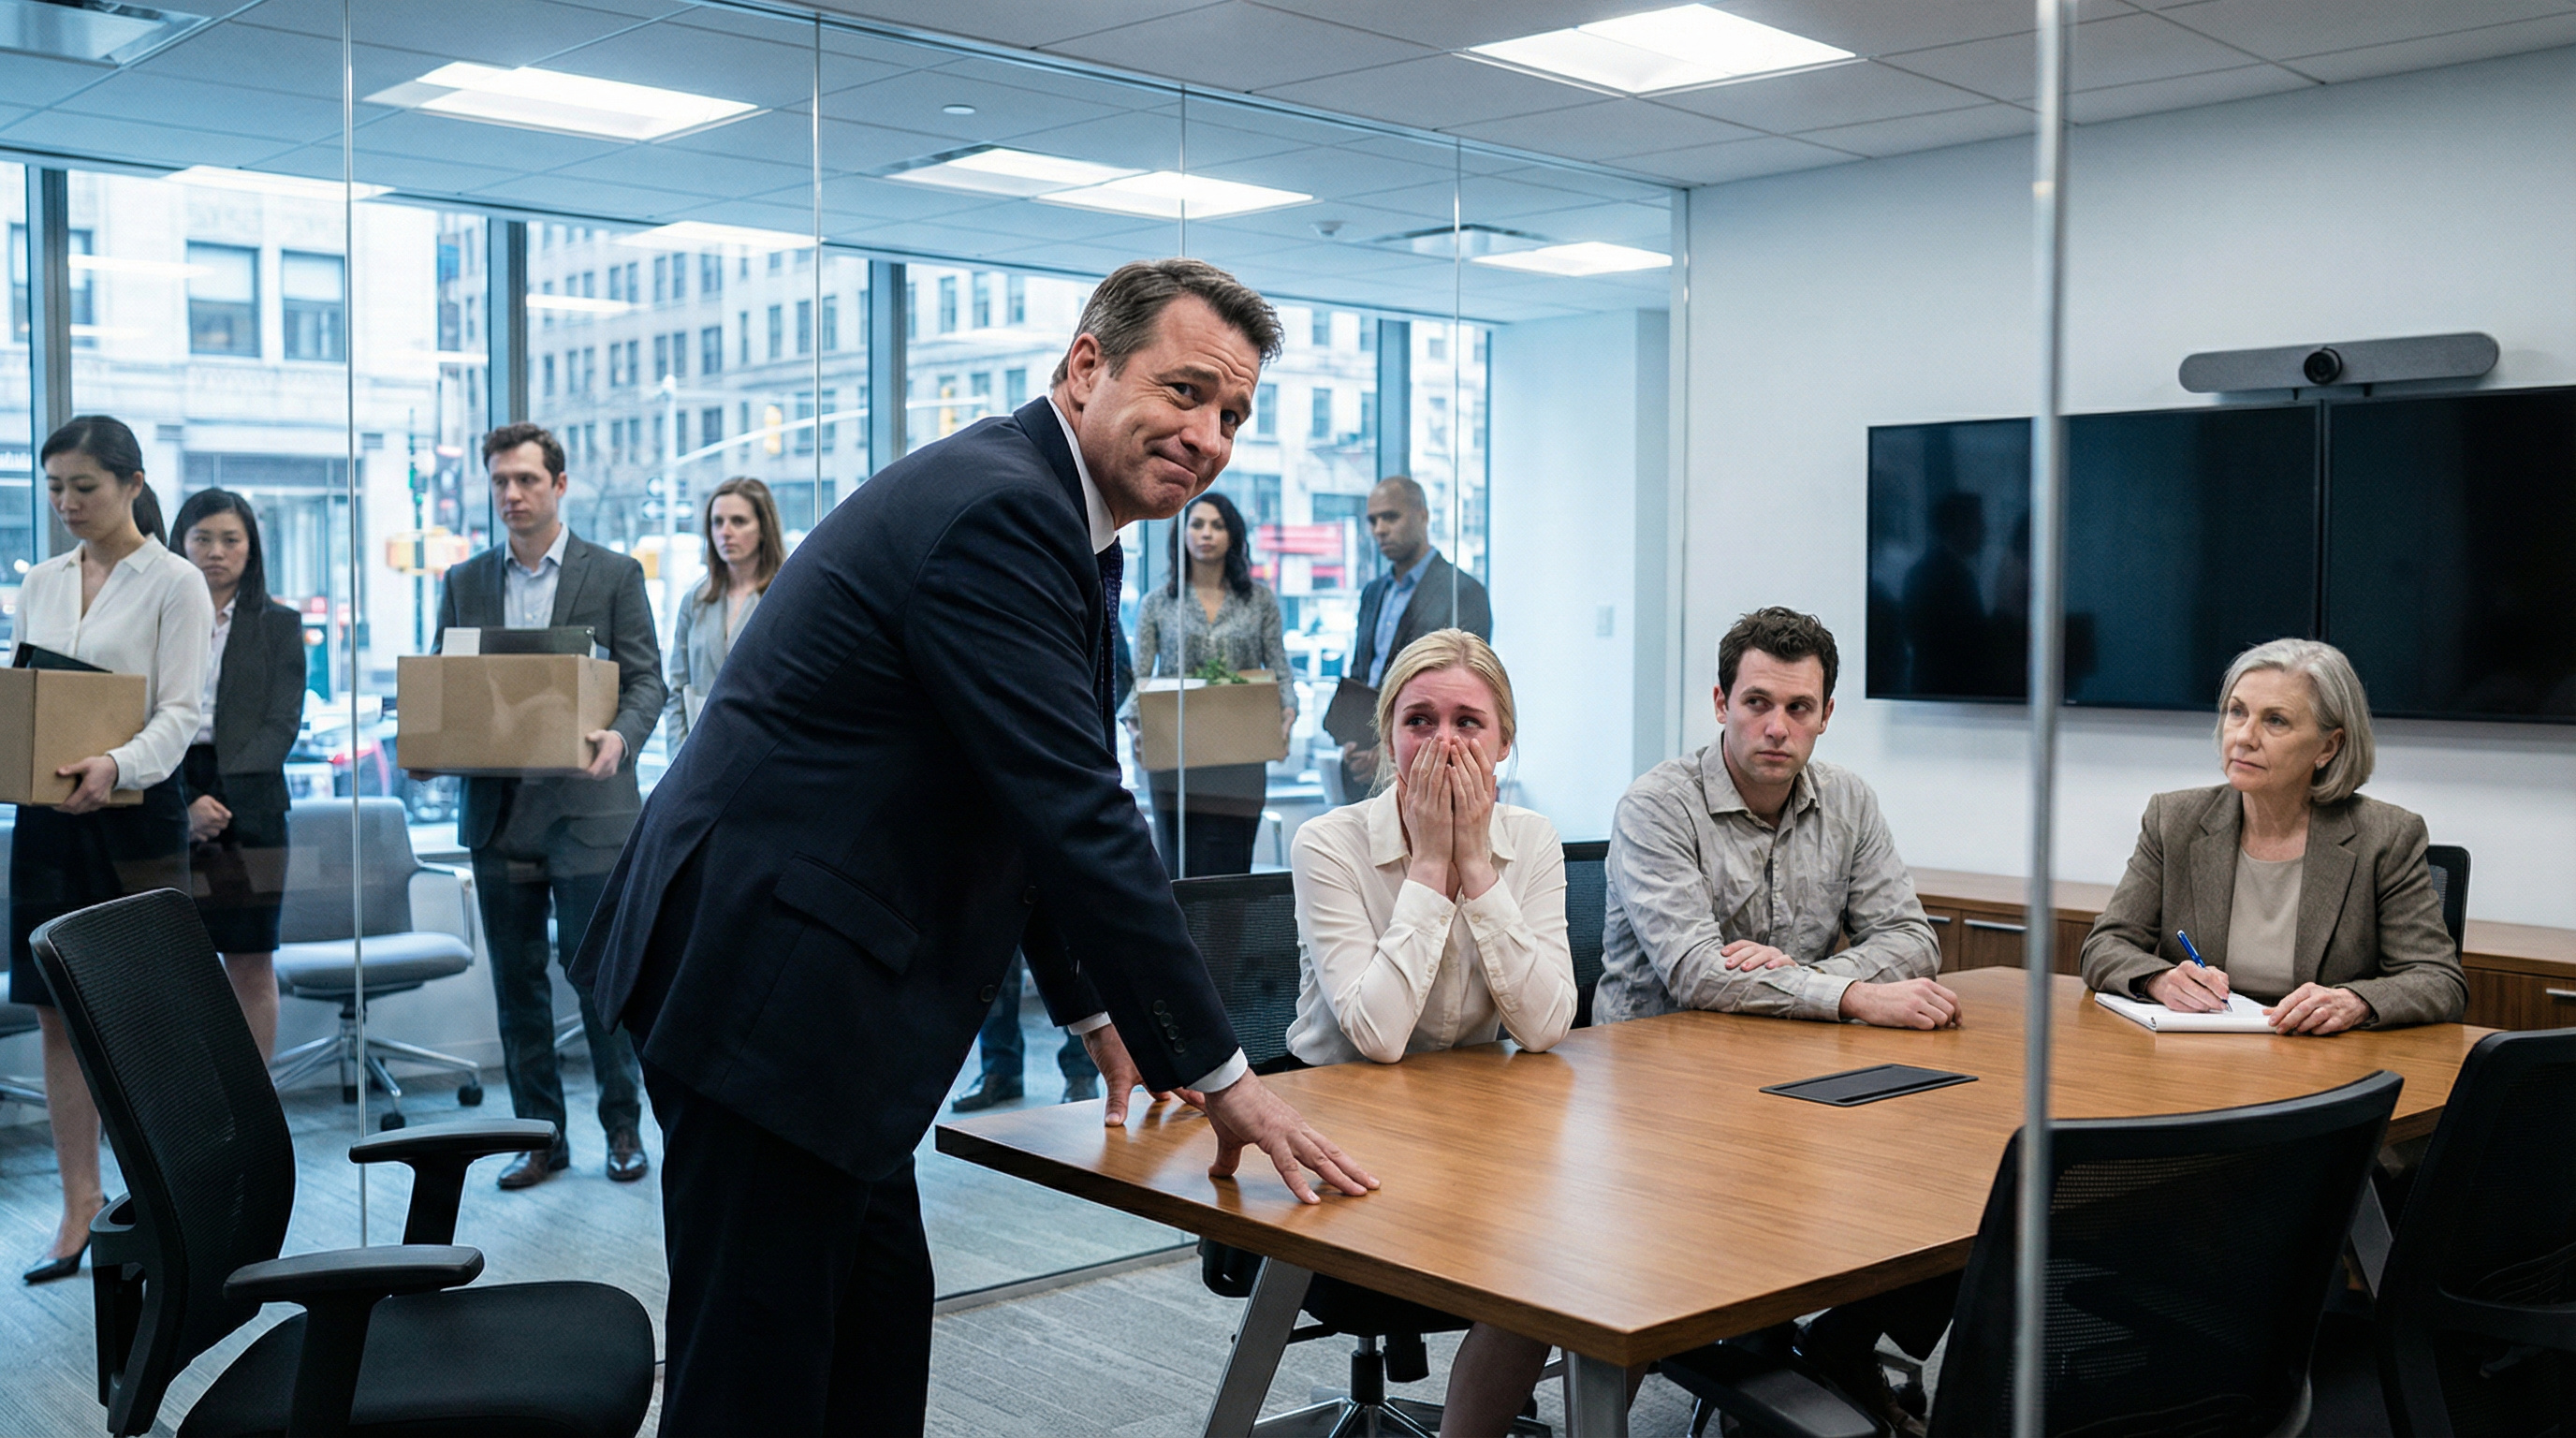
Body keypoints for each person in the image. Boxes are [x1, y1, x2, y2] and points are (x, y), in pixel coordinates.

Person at [565, 257, 1374, 1435]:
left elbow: (1014, 791)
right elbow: (1075, 808)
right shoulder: (1002, 510)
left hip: (810, 994)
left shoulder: (1056, 516)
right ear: (1085, 366)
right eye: (1187, 391)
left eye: (1233, 415)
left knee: (874, 1338)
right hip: (769, 995)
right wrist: (1223, 1077)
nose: (1208, 436)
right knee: (758, 1380)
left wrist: (1096, 1014)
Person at [1593, 606, 1954, 1432]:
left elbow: (1912, 939)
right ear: (1720, 702)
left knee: (1965, 1179)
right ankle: (1771, 1376)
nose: (1777, 727)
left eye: (1799, 709)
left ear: (1827, 715)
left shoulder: (1850, 801)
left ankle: (1838, 1345)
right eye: (1757, 702)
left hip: (1796, 1078)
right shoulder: (1658, 806)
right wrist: (1853, 994)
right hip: (1658, 1099)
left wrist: (1806, 974)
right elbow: (1695, 973)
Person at [1288, 628, 1573, 1437]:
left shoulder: (1534, 841)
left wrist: (1479, 867)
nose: (1443, 743)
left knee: (1583, 1256)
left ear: (1504, 742)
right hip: (1348, 1138)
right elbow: (1377, 1035)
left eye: (1468, 723)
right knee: (1538, 1265)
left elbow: (1548, 1024)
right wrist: (1429, 870)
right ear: (1388, 739)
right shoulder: (1329, 844)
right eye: (1419, 721)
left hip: (1480, 1137)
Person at [432, 422, 665, 1190]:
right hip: (499, 813)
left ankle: (623, 1129)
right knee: (518, 983)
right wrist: (436, 733)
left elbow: (646, 682)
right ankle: (540, 1138)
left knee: (600, 977)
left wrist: (621, 741)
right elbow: (446, 685)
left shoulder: (615, 573)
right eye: (500, 481)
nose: (511, 495)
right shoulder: (464, 580)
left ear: (559, 486)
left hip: (590, 808)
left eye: (527, 480)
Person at [11, 417, 213, 1284]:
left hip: (136, 815)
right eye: (54, 487)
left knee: (139, 1016)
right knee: (57, 1013)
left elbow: (180, 712)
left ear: (132, 484)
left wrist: (116, 763)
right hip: (49, 815)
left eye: (84, 488)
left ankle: (161, 1202)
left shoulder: (176, 582)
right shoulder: (41, 579)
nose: (66, 504)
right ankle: (80, 1206)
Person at [2081, 638, 2465, 1032]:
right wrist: (2159, 980)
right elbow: (2105, 946)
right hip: (2201, 1055)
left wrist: (2355, 1001)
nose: (2244, 736)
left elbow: (2438, 979)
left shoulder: (2385, 837)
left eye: (2275, 720)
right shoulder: (2174, 820)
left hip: (2322, 1059)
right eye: (2236, 712)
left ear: (2328, 747)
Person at [172, 487, 306, 1065]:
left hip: (251, 800)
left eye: (231, 540)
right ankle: (177, 1108)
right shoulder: (158, 619)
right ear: (181, 541)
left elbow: (282, 722)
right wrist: (183, 803)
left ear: (251, 550)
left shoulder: (278, 624)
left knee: (251, 960)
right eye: (203, 538)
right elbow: (132, 717)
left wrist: (219, 798)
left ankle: (252, 1112)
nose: (216, 552)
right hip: (167, 787)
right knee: (171, 964)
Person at [1127, 488, 1294, 877]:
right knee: (1179, 866)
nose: (1206, 534)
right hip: (1177, 752)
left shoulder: (1259, 601)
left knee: (1233, 868)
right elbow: (1140, 678)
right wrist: (1136, 727)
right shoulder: (1158, 602)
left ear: (1232, 536)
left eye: (1217, 526)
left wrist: (1286, 717)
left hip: (1242, 752)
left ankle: (1230, 942)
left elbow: (1281, 669)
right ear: (1182, 535)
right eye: (1197, 524)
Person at [1339, 475, 1492, 799]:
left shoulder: (1462, 591)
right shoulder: (1373, 592)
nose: (1379, 529)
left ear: (1422, 516)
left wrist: (1389, 750)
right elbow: (1362, 674)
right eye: (1373, 520)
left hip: (1428, 762)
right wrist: (1352, 739)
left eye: (1390, 517)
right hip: (1365, 766)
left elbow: (1464, 689)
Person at [661, 476, 782, 752]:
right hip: (701, 749)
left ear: (763, 529)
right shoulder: (696, 600)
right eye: (717, 522)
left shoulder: (782, 597)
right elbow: (678, 690)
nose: (725, 532)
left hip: (763, 752)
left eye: (738, 521)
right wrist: (679, 759)